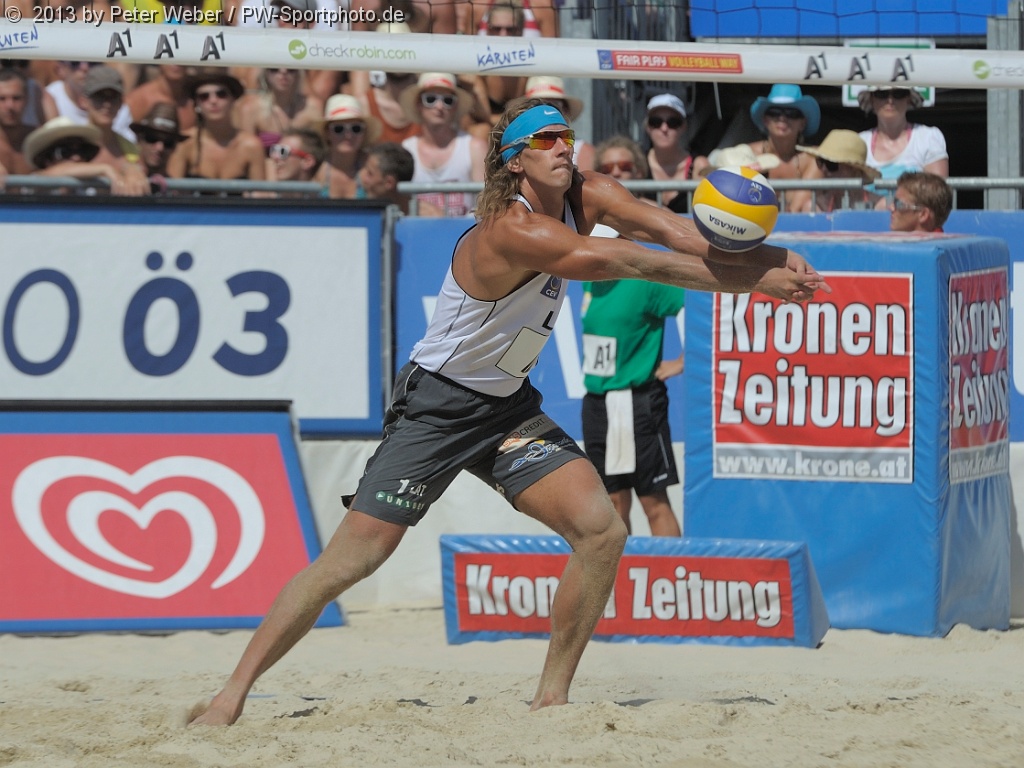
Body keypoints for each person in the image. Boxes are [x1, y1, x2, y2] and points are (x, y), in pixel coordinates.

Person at [186, 98, 830, 727]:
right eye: (546, 140)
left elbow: (676, 233)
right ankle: (230, 696)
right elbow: (632, 261)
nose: (563, 147)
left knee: (601, 532)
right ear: (514, 161)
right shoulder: (512, 230)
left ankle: (551, 700)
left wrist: (772, 256)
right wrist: (757, 280)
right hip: (437, 407)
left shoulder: (590, 191)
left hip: (506, 409)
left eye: (566, 136)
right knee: (352, 560)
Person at [399, 72, 486, 216]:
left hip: (465, 230)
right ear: (418, 104)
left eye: (448, 100)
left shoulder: (475, 147)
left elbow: (484, 207)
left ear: (456, 107)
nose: (439, 106)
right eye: (430, 99)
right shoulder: (407, 149)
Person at [167, 69, 266, 184]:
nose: (213, 101)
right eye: (204, 96)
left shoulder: (251, 146)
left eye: (221, 94)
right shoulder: (185, 142)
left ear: (233, 100)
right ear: (196, 105)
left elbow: (260, 192)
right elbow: (171, 190)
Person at [24, 116, 148, 196]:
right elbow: (47, 175)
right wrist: (105, 169)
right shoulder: (36, 185)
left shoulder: (92, 187)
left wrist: (131, 170)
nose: (76, 157)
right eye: (65, 152)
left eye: (83, 150)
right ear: (46, 159)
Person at [747, 84, 820, 213]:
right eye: (774, 112)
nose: (782, 118)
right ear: (765, 120)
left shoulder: (814, 159)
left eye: (792, 113)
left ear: (802, 123)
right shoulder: (747, 153)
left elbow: (795, 211)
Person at [857, 86, 949, 181]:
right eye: (882, 94)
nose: (890, 100)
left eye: (899, 94)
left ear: (908, 99)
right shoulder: (859, 142)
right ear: (872, 99)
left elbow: (938, 188)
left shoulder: (927, 137)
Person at [643, 93, 708, 212]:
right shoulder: (638, 163)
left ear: (683, 127)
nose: (664, 128)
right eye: (656, 122)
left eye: (672, 122)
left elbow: (708, 206)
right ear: (648, 127)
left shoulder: (699, 165)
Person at [513, 76, 593, 171]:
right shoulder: (513, 145)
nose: (547, 110)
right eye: (537, 106)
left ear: (566, 110)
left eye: (554, 105)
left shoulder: (583, 151)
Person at [313, 93, 381, 199]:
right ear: (327, 133)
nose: (348, 135)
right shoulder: (314, 168)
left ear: (364, 133)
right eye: (339, 129)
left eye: (356, 128)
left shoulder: (374, 169)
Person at [796, 129, 882, 213]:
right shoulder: (815, 207)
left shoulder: (880, 206)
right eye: (821, 162)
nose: (823, 169)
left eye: (831, 164)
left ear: (854, 170)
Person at [357, 141, 443, 215]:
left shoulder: (431, 218)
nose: (362, 177)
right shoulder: (358, 214)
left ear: (389, 182)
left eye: (370, 174)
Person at [130, 101, 188, 189]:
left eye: (168, 142)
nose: (160, 148)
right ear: (139, 139)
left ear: (175, 147)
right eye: (152, 138)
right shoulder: (119, 181)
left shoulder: (177, 192)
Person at [0, 67, 34, 174]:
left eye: (16, 98)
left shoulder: (39, 140)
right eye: (2, 98)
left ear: (27, 99)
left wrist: (40, 175)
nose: (10, 106)